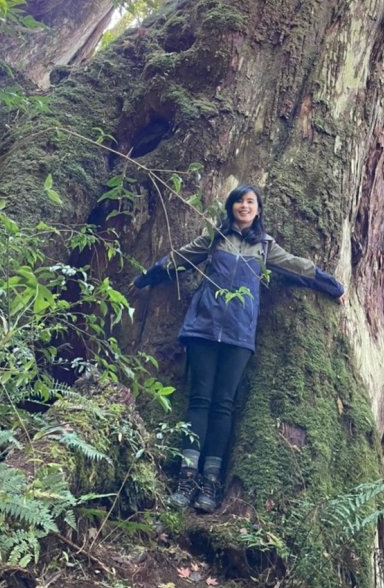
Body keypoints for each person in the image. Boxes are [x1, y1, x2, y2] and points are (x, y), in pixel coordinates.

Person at [134, 184, 345, 512]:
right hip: (204, 327)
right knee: (200, 400)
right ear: (231, 207)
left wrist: (330, 285)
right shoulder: (215, 237)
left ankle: (210, 482)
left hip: (238, 335)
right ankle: (186, 479)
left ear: (258, 210)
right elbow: (182, 258)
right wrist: (147, 277)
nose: (244, 207)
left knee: (224, 405)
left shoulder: (265, 247)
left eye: (251, 202)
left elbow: (296, 266)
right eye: (239, 202)